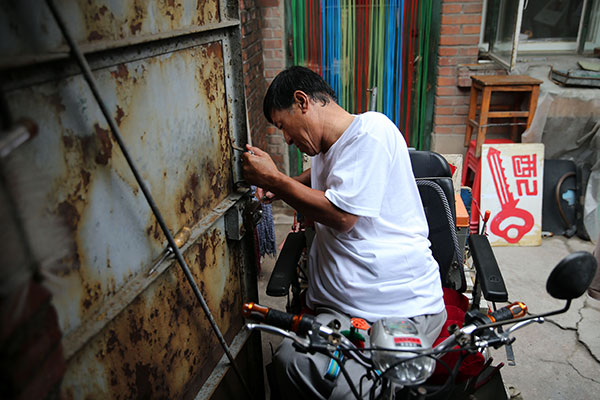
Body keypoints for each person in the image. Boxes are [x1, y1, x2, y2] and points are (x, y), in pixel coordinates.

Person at [241, 66, 446, 399]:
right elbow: (326, 173)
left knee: (351, 390)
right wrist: (287, 187)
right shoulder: (329, 148)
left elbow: (342, 215)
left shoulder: (372, 132)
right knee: (287, 361)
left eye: (283, 127)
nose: (287, 140)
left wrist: (274, 180)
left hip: (392, 306)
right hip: (343, 309)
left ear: (302, 102)